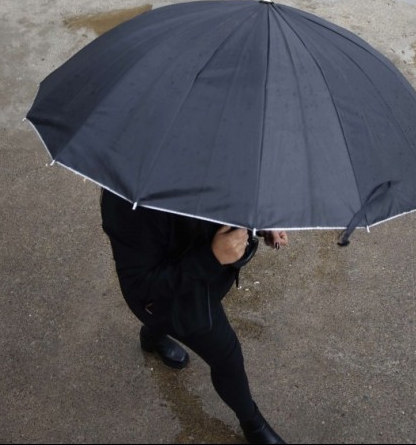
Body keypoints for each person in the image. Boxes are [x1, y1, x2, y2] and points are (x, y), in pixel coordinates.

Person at [99, 189, 288, 445]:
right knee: (226, 354)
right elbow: (142, 286)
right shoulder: (126, 201)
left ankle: (152, 335)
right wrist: (211, 258)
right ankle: (252, 422)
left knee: (170, 324)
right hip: (168, 298)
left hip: (208, 275)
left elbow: (240, 195)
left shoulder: (222, 159)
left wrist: (260, 221)